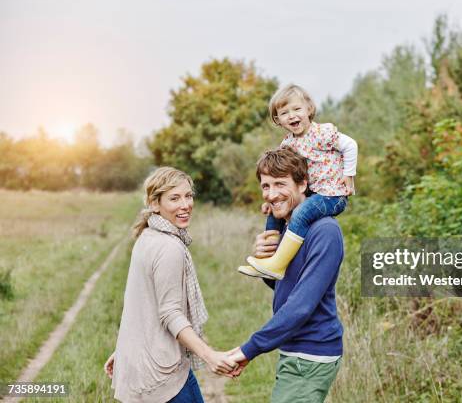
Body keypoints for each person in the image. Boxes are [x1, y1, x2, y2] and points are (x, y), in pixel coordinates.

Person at [103, 166, 238, 403]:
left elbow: (142, 303)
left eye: (188, 196)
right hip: (163, 373)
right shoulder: (169, 247)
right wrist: (210, 356)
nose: (185, 205)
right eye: (174, 198)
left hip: (142, 365)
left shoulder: (147, 237)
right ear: (155, 203)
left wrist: (127, 349)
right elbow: (170, 313)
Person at [230, 148, 345, 403]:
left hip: (312, 354)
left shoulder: (324, 231)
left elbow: (301, 305)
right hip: (295, 350)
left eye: (280, 184)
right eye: (266, 186)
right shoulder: (288, 230)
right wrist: (263, 260)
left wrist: (250, 348)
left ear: (303, 183)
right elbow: (284, 286)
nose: (271, 195)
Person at [238, 84, 357, 280]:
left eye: (297, 109)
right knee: (274, 213)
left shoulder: (322, 133)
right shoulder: (287, 144)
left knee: (301, 213)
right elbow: (281, 174)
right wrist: (273, 198)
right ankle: (267, 258)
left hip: (332, 195)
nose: (292, 116)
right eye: (284, 113)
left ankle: (277, 263)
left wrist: (348, 174)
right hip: (313, 193)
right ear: (277, 120)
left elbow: (351, 145)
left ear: (308, 109)